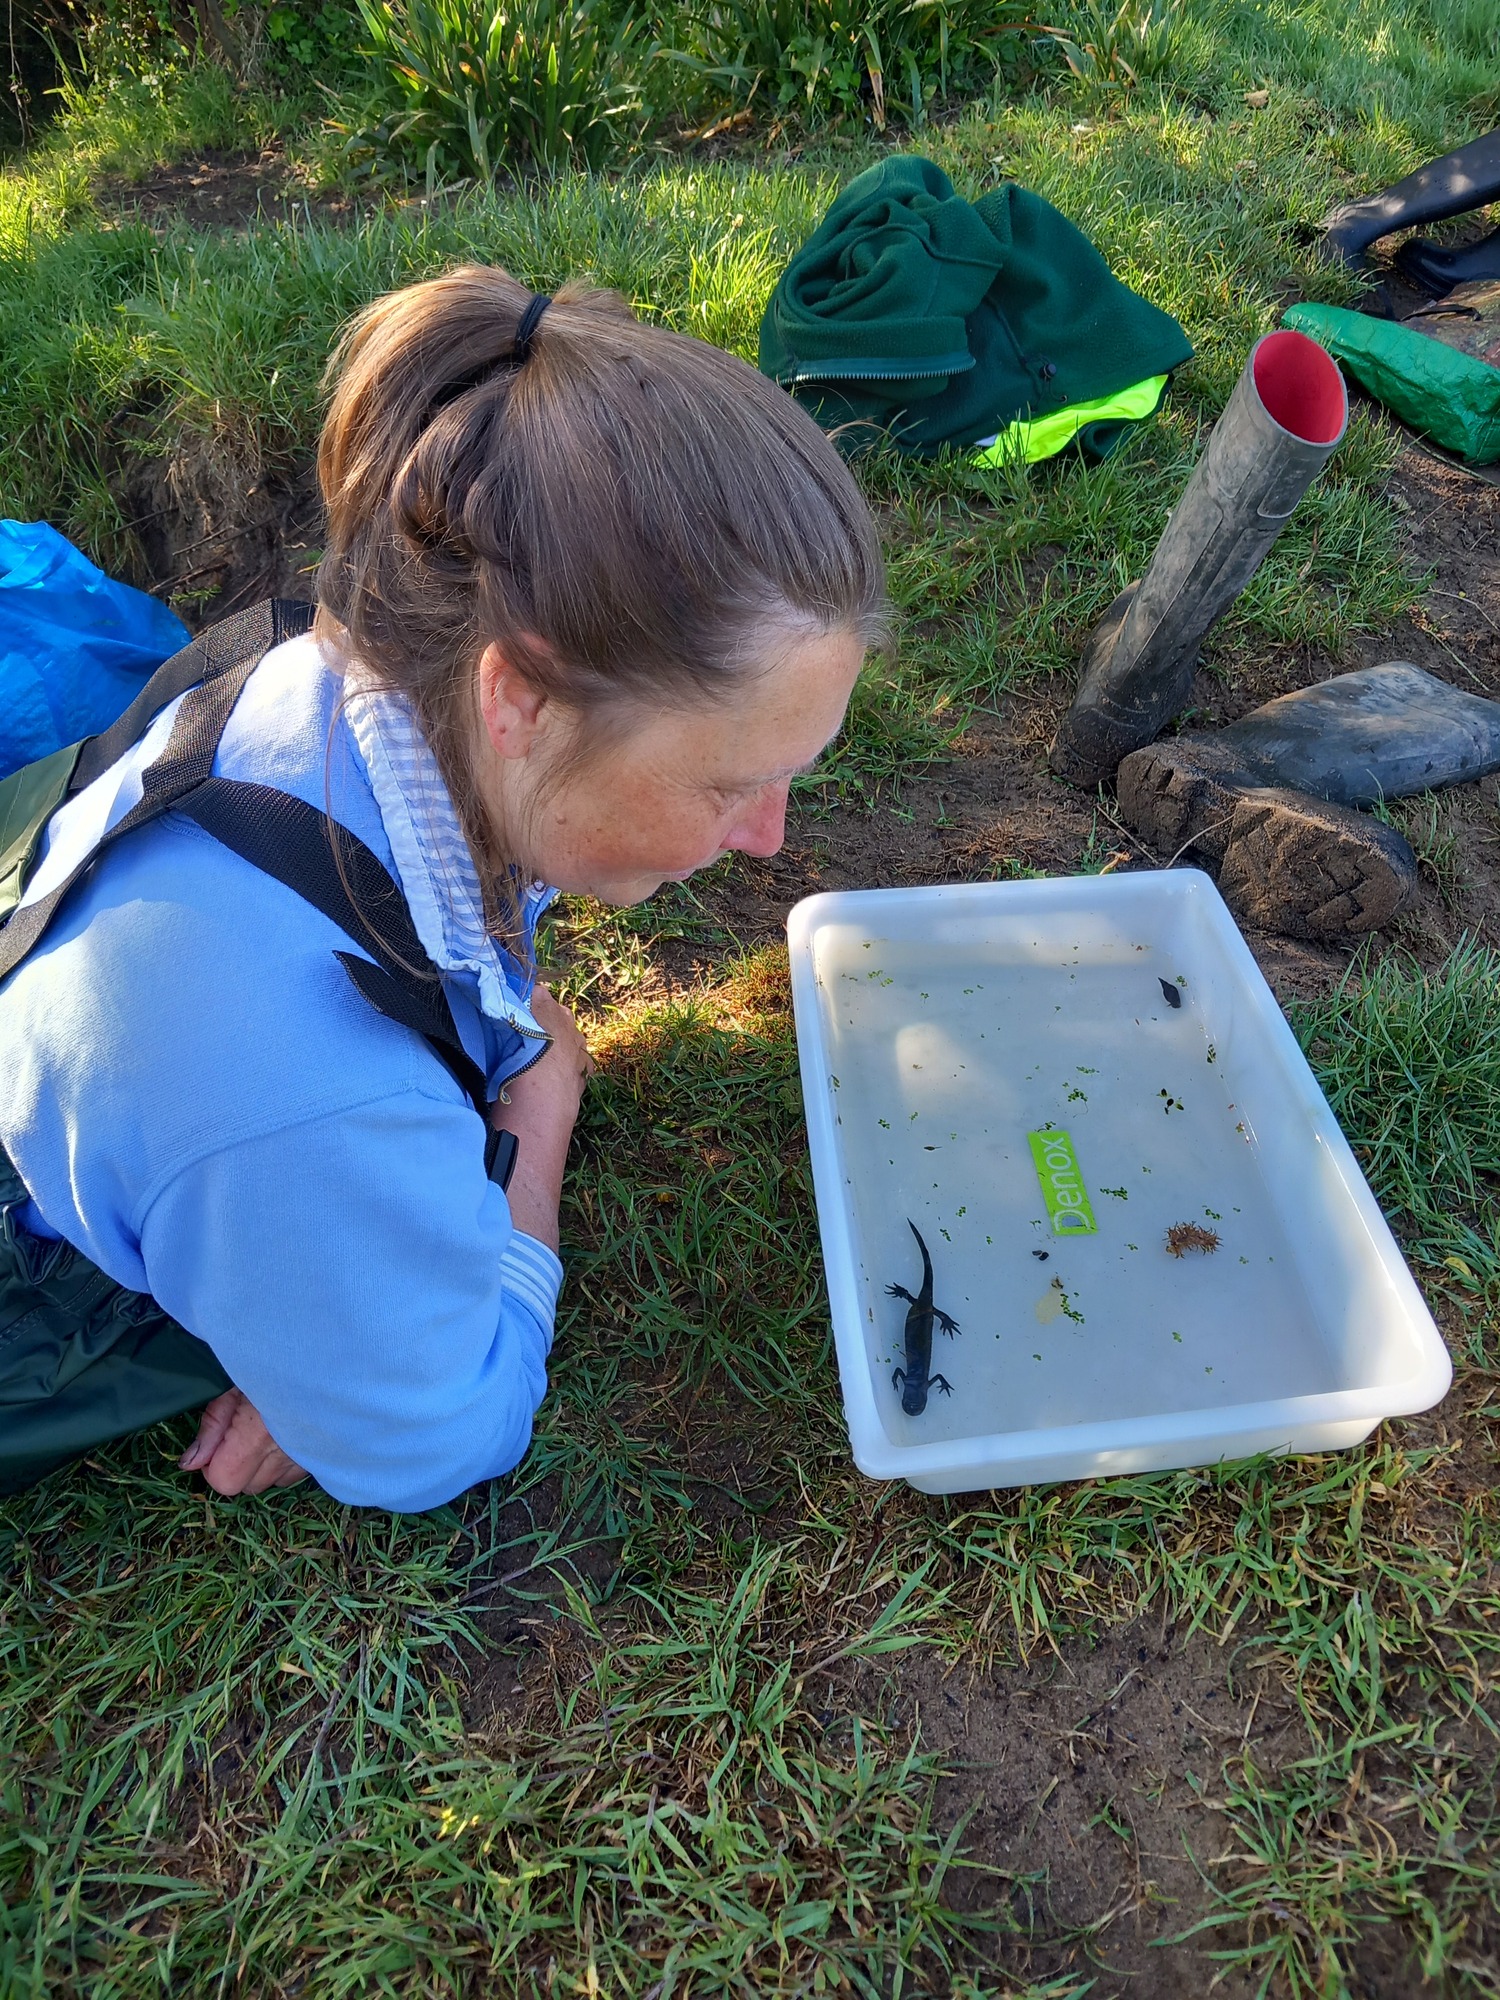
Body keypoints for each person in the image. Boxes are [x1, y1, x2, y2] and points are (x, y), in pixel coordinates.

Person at [0, 268, 886, 1510]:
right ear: (516, 697)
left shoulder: (370, 672)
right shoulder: (301, 1092)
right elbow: (440, 1438)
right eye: (726, 782)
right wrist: (540, 1101)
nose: (770, 840)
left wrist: (323, 1303)